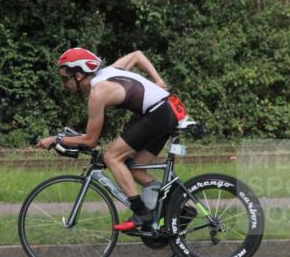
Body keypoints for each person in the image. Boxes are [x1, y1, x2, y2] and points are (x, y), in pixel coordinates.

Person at [36, 47, 182, 231]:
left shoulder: (98, 92)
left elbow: (90, 140)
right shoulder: (110, 71)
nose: (63, 83)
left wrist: (56, 139)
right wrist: (159, 80)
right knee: (133, 169)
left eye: (65, 78)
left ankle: (142, 213)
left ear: (79, 75)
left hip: (159, 114)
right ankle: (178, 207)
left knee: (112, 157)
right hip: (167, 110)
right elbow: (137, 55)